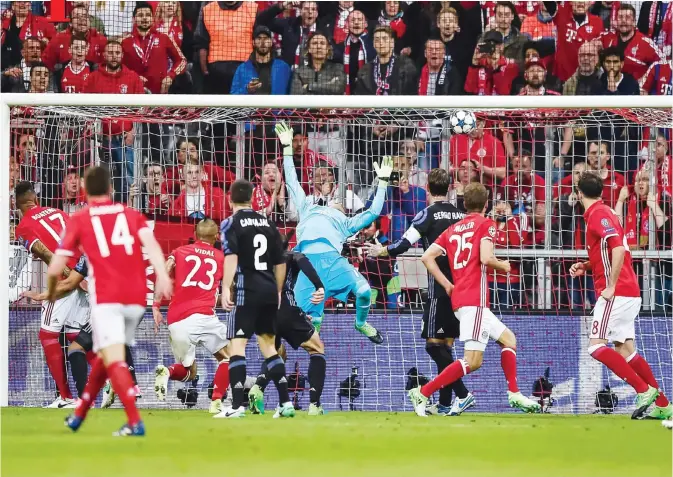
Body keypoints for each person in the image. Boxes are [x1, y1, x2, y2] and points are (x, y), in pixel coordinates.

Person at [55, 166, 171, 437]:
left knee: (112, 357)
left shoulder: (81, 219)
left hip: (107, 299)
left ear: (85, 189)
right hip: (137, 299)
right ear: (111, 189)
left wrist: (49, 290)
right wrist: (163, 275)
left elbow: (59, 266)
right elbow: (152, 246)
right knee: (106, 357)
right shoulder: (131, 215)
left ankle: (133, 419)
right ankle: (80, 413)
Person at [408, 182, 542, 417]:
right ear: (487, 203)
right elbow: (487, 257)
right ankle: (424, 392)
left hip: (461, 297)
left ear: (464, 203)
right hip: (474, 299)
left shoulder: (453, 229)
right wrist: (503, 266)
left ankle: (514, 393)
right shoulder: (486, 224)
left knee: (509, 340)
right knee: (472, 361)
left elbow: (427, 257)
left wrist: (448, 284)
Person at [365, 169, 474, 416]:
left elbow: (404, 243)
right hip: (463, 287)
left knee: (433, 347)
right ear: (448, 188)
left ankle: (463, 394)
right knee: (446, 347)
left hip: (440, 287)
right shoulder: (461, 215)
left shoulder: (427, 214)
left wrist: (380, 251)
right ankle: (445, 405)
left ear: (427, 188)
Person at [275, 121, 390, 344]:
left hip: (334, 262)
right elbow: (291, 179)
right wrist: (287, 148)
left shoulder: (346, 223)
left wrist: (383, 182)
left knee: (365, 291)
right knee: (306, 319)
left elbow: (375, 210)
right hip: (307, 262)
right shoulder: (308, 206)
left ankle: (360, 323)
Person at [568, 172, 670, 420]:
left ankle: (642, 390)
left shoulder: (599, 214)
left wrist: (611, 285)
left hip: (617, 292)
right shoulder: (604, 213)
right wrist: (586, 265)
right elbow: (609, 251)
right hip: (628, 291)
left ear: (580, 193)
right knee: (626, 350)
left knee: (595, 346)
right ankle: (664, 405)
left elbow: (617, 248)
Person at [215, 179, 291, 419]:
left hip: (246, 292)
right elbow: (281, 262)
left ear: (230, 199)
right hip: (269, 291)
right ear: (251, 198)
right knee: (269, 347)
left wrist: (225, 287)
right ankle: (285, 403)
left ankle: (237, 406)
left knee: (237, 346)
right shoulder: (269, 224)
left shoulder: (230, 223)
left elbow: (231, 256)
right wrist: (278, 291)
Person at [14, 181, 90, 408]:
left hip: (66, 281)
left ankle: (65, 397)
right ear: (35, 199)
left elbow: (46, 253)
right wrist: (83, 273)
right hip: (85, 270)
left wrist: (71, 278)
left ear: (16, 204)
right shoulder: (57, 212)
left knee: (48, 336)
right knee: (76, 335)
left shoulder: (24, 227)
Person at [153, 219, 230, 415]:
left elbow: (164, 271)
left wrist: (155, 305)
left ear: (195, 235)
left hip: (177, 318)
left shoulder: (179, 252)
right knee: (230, 358)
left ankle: (168, 372)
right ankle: (217, 401)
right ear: (216, 237)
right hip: (203, 316)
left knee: (188, 372)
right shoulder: (221, 257)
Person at [248, 234, 327, 416]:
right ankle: (315, 405)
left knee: (276, 353)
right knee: (317, 349)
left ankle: (257, 388)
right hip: (285, 308)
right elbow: (302, 260)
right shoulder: (291, 255)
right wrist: (319, 287)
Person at [83, 41, 144, 203]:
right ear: (104, 55)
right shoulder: (93, 78)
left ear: (122, 55)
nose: (114, 56)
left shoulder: (132, 78)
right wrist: (92, 130)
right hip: (100, 139)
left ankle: (129, 209)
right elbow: (84, 107)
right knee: (101, 178)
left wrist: (133, 130)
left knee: (128, 179)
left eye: (117, 53)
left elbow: (141, 108)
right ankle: (101, 211)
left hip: (125, 138)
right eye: (110, 53)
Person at [121, 2, 186, 94]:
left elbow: (182, 61)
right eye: (140, 15)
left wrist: (170, 76)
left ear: (152, 19)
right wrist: (133, 77)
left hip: (159, 96)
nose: (144, 18)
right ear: (133, 19)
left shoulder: (164, 38)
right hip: (133, 96)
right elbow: (118, 67)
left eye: (148, 15)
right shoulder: (125, 42)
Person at [194, 1, 257, 94]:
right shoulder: (208, 9)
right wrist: (205, 70)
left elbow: (259, 38)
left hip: (245, 67)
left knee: (243, 105)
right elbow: (202, 42)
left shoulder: (252, 8)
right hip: (217, 69)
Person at [543, 1, 605, 83]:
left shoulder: (597, 22)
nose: (580, 2)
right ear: (570, 2)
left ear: (590, 3)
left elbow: (600, 53)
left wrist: (600, 48)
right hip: (562, 77)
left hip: (586, 78)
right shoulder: (561, 14)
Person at [600, 4, 663, 81]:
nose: (623, 20)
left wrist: (645, 81)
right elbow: (592, 44)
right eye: (620, 17)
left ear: (634, 22)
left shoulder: (646, 43)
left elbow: (664, 63)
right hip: (610, 87)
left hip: (634, 90)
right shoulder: (608, 37)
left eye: (627, 17)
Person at [256, 1, 323, 69]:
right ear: (300, 11)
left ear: (317, 13)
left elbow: (333, 53)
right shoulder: (289, 24)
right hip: (287, 72)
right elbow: (261, 21)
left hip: (310, 74)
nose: (310, 12)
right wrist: (282, 6)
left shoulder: (323, 31)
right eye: (306, 9)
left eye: (313, 9)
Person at [355, 25, 418, 95]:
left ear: (392, 42)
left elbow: (411, 96)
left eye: (385, 39)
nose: (381, 43)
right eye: (377, 40)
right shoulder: (365, 71)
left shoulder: (407, 66)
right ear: (373, 44)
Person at [41, 5, 106, 72]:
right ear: (70, 23)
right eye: (77, 17)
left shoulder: (101, 40)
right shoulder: (59, 39)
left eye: (85, 16)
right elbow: (46, 62)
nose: (82, 19)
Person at [231, 25, 292, 95]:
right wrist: (247, 89)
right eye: (259, 38)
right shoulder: (242, 69)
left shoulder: (283, 68)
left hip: (276, 106)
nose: (263, 42)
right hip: (252, 106)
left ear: (271, 42)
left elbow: (292, 94)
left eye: (266, 38)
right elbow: (233, 95)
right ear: (253, 43)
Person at [333, 9, 374, 95]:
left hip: (369, 93)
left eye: (359, 20)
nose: (356, 22)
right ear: (347, 24)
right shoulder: (340, 47)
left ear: (366, 24)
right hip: (347, 93)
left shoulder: (374, 45)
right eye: (352, 20)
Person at [586, 141, 625, 208]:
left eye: (601, 153)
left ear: (608, 156)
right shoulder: (580, 178)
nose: (597, 156)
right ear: (588, 156)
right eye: (593, 153)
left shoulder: (619, 179)